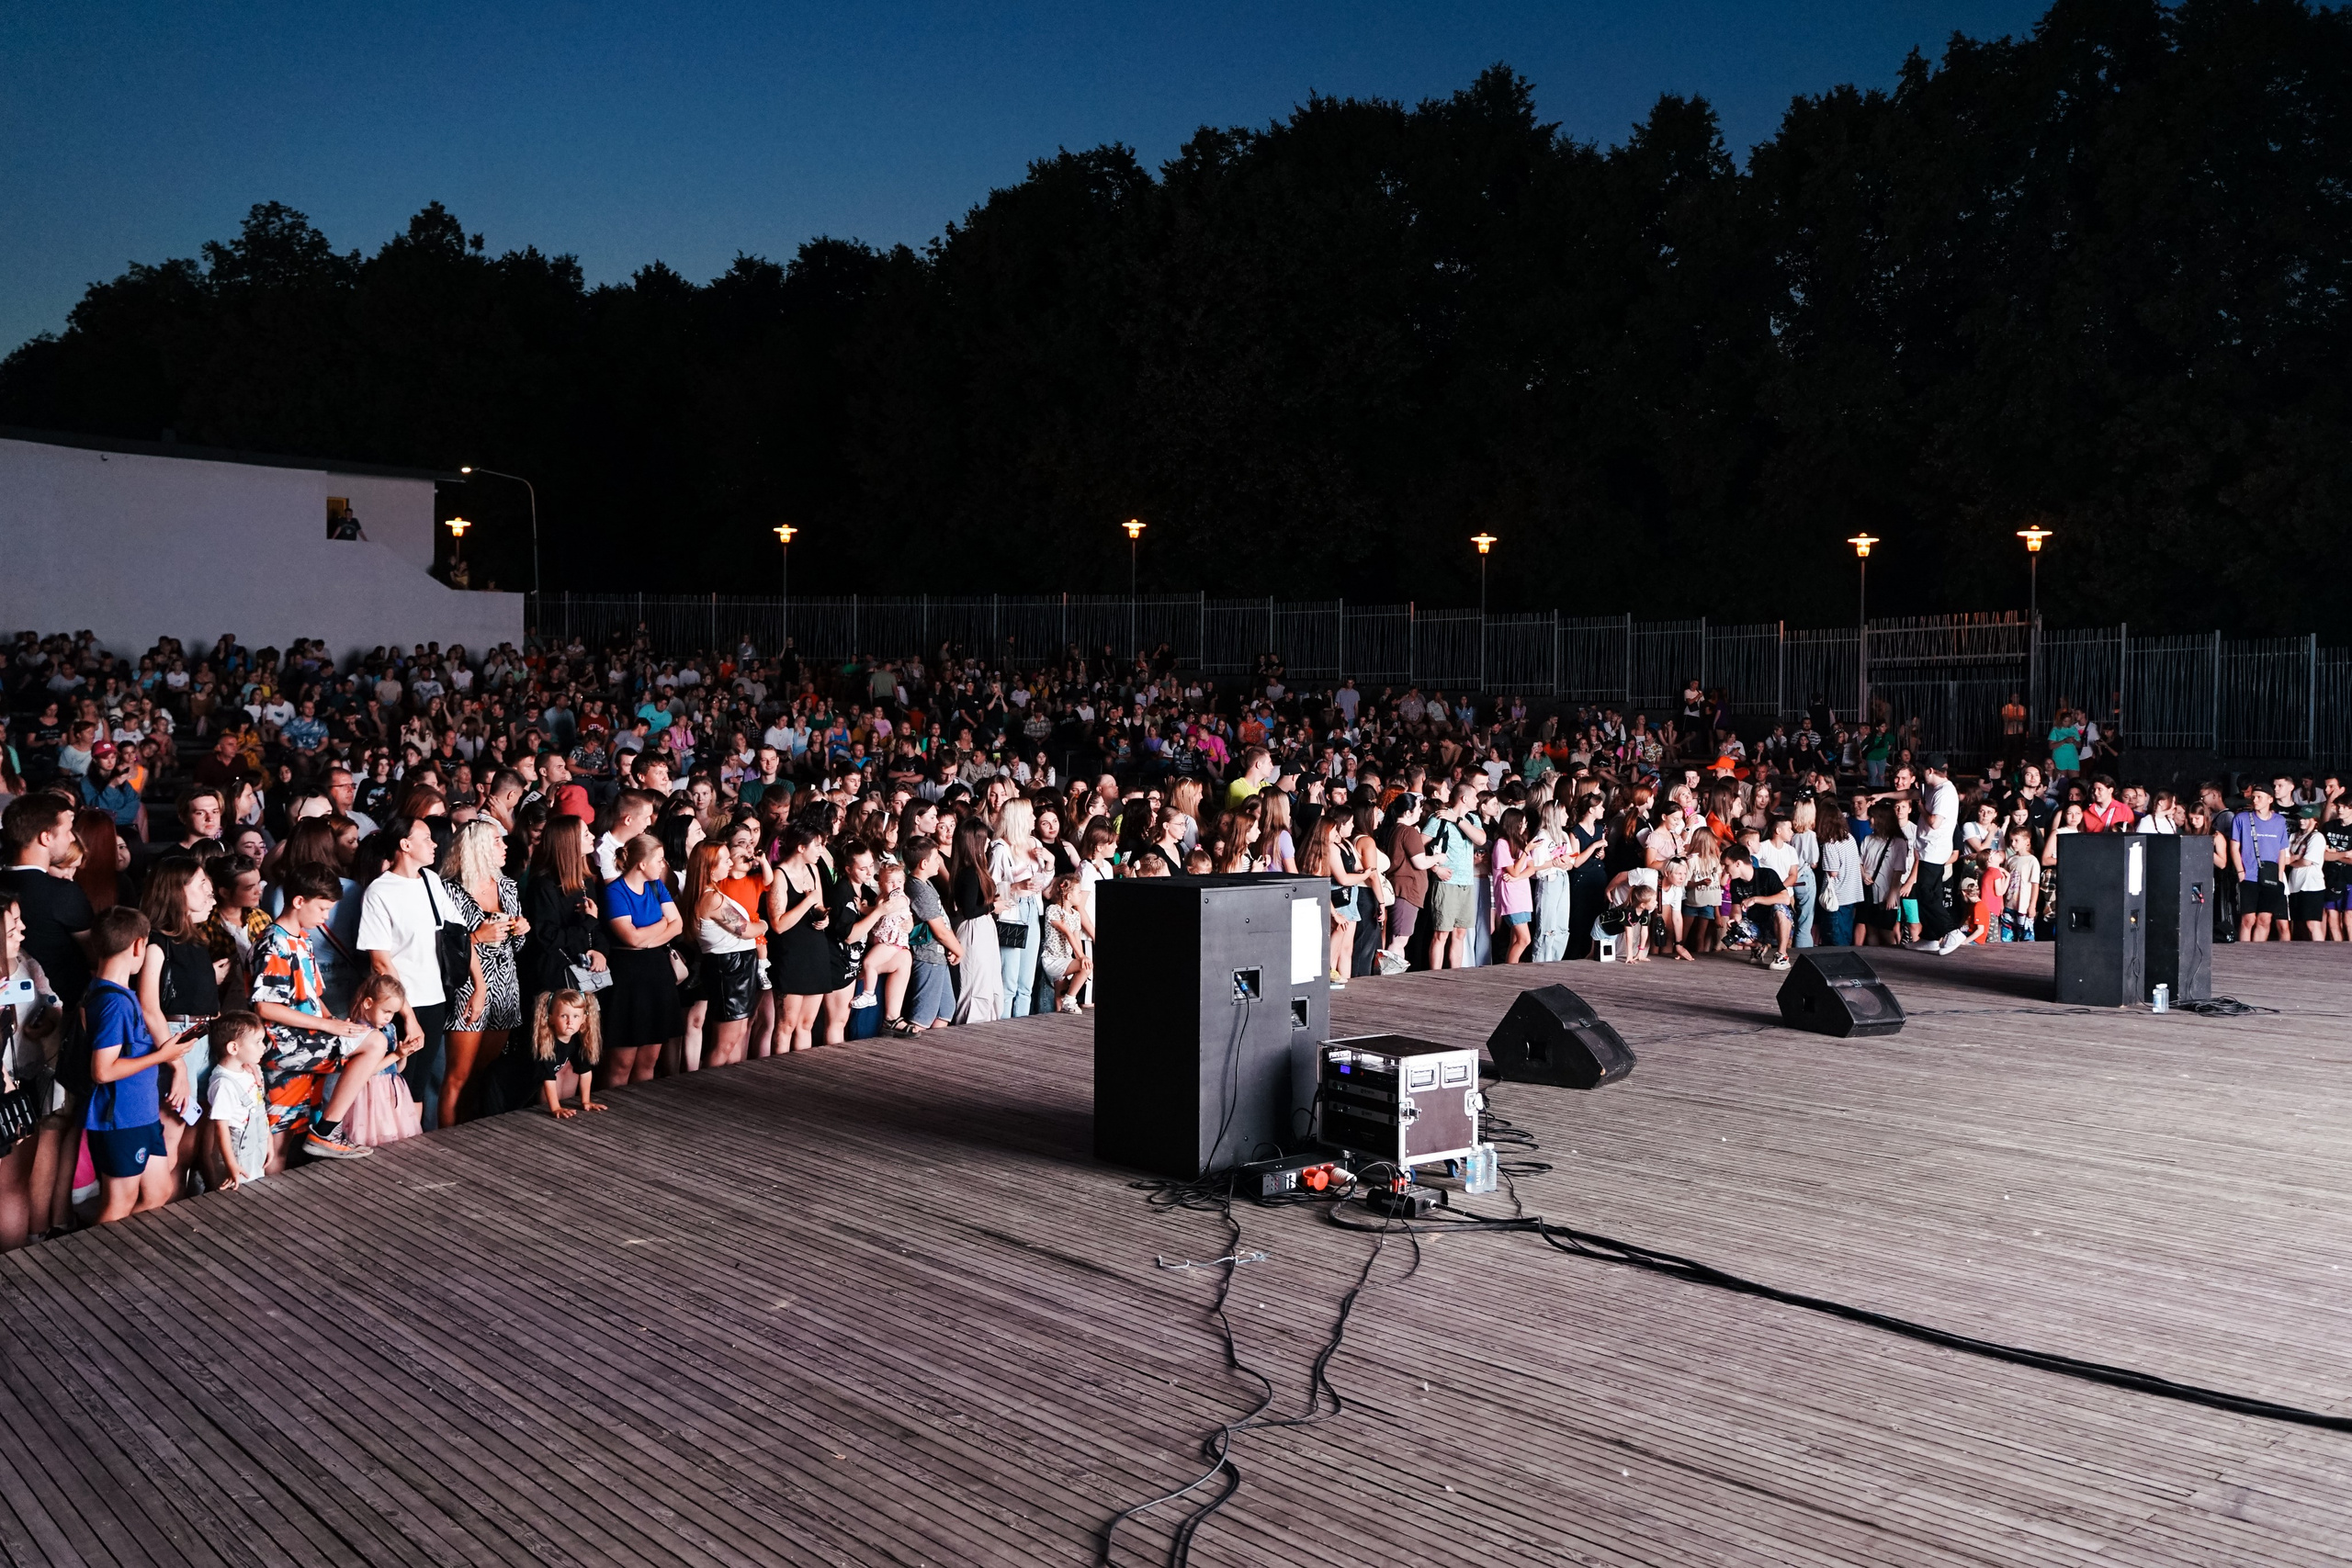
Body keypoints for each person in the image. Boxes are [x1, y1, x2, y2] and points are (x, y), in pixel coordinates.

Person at [251, 864, 390, 1165]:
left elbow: (313, 996)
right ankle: (326, 1131)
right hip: (284, 1044)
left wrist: (335, 1022)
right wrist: (329, 1026)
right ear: (299, 901)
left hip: (304, 1041)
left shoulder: (302, 939)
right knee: (376, 1043)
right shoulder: (273, 942)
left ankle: (322, 1134)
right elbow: (265, 1006)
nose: (327, 917)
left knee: (283, 1138)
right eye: (323, 908)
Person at [83, 908, 199, 1222]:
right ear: (138, 946)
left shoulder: (118, 994)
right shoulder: (114, 1003)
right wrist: (164, 1056)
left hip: (141, 1112)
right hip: (120, 1117)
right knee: (120, 1202)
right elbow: (103, 1070)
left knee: (158, 1192)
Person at [356, 814, 458, 1127]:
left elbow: (457, 932)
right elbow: (380, 961)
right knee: (399, 1079)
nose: (434, 844)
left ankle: (414, 1143)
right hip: (401, 1001)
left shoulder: (432, 880)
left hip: (435, 994)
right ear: (405, 844)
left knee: (421, 1079)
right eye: (427, 838)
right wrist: (408, 1016)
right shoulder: (380, 891)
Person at [438, 818, 526, 1122]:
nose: (505, 847)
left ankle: (471, 1131)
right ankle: (447, 1139)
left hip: (505, 985)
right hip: (470, 988)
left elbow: (517, 947)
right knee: (458, 1075)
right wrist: (477, 936)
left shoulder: (508, 886)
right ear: (477, 849)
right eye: (497, 842)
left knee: (485, 1070)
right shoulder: (449, 890)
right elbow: (444, 947)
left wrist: (521, 930)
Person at [0, 886, 67, 1250]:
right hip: (6, 1089)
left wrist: (49, 1021)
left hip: (26, 1082)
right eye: (12, 927)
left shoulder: (27, 961)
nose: (23, 929)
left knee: (14, 1183)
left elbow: (53, 1002)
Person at [600, 833, 684, 1086]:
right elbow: (631, 938)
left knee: (649, 1059)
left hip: (657, 972)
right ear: (642, 864)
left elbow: (678, 925)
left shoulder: (657, 887)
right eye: (659, 859)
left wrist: (647, 940)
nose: (663, 864)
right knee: (622, 1062)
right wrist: (660, 925)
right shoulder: (615, 891)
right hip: (628, 978)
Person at [763, 826, 833, 1050]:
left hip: (816, 950)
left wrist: (825, 918)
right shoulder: (779, 874)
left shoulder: (813, 868)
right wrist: (808, 901)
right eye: (817, 845)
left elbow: (819, 904)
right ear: (801, 847)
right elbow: (778, 925)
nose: (822, 850)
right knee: (786, 1024)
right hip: (792, 954)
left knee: (806, 1024)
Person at [201, 1012, 270, 1190]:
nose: (264, 1047)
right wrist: (231, 1164)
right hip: (237, 1151)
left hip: (256, 1144)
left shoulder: (249, 1071)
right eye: (257, 1042)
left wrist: (267, 1140)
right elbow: (221, 1127)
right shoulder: (223, 1083)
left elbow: (258, 1108)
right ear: (233, 1048)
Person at [899, 838, 961, 1033]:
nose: (939, 862)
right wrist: (959, 949)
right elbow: (939, 929)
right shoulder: (917, 889)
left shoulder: (926, 885)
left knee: (945, 1011)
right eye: (936, 858)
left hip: (938, 955)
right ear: (924, 863)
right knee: (923, 1016)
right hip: (928, 956)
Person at [1912, 756, 1967, 954]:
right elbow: (1911, 793)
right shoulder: (1934, 789)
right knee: (1928, 892)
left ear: (1930, 771)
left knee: (1926, 892)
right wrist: (1883, 796)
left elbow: (1935, 822)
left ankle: (1951, 931)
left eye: (1923, 771)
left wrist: (1921, 809)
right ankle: (1931, 937)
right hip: (1929, 849)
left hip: (1935, 850)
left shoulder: (1945, 792)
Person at [530, 989, 605, 1119]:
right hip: (505, 1087)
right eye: (564, 1016)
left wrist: (585, 1101)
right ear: (551, 1017)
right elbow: (548, 1079)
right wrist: (556, 1108)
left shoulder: (577, 1041)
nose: (570, 1022)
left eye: (575, 1016)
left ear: (584, 1019)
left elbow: (585, 1071)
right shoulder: (546, 1043)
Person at [2230, 784, 2290, 942]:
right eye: (2254, 797)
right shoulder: (2241, 819)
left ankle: (2258, 954)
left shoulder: (2279, 821)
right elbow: (2234, 847)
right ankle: (2244, 954)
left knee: (2265, 919)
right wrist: (2241, 872)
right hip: (2249, 876)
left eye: (2259, 797)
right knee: (2248, 919)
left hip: (2270, 876)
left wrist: (2279, 877)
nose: (2255, 800)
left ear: (2270, 799)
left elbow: (2282, 850)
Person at [1037, 873, 1090, 1013]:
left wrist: (1081, 955)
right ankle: (1071, 999)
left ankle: (1060, 1018)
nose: (1081, 895)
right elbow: (1067, 932)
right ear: (1068, 896)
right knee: (1086, 966)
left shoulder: (1076, 915)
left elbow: (1077, 938)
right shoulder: (1053, 910)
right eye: (1078, 892)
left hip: (1066, 959)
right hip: (1053, 959)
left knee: (1059, 995)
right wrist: (1082, 958)